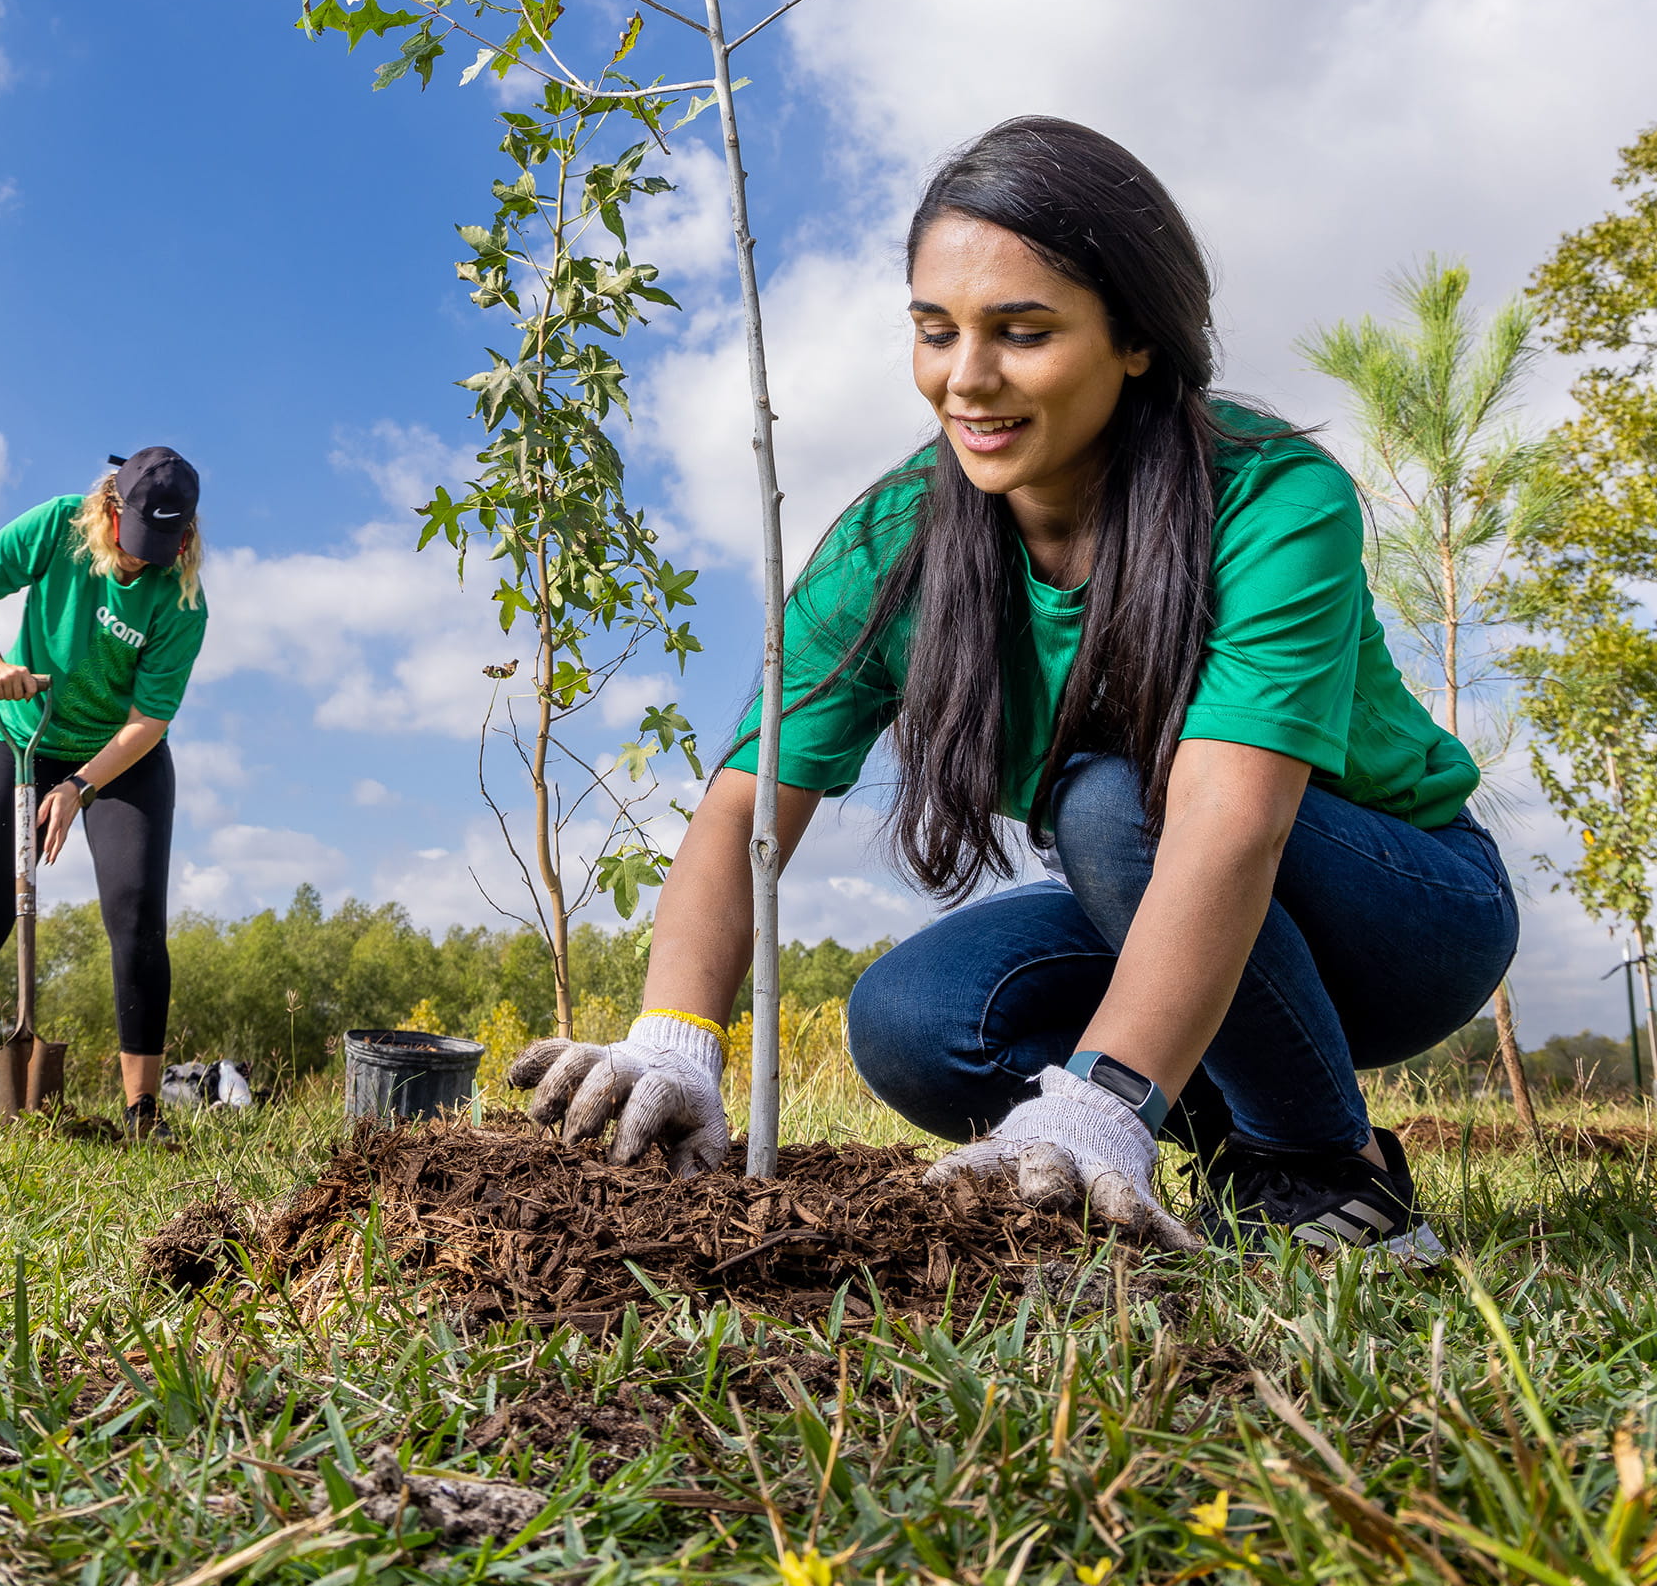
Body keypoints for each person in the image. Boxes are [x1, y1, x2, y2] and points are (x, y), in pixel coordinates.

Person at [508, 119, 1517, 1258]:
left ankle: (1324, 1171)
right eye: (936, 332)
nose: (966, 378)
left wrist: (1101, 1100)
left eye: (1022, 333)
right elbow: (748, 802)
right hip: (1157, 903)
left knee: (1107, 800)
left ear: (1136, 338)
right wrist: (674, 1037)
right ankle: (1227, 1137)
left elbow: (1231, 820)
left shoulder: (1272, 500)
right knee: (915, 1023)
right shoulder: (896, 544)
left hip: (1401, 917)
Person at [0, 448, 208, 1142]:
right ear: (109, 510)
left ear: (184, 537)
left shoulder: (181, 599)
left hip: (121, 756)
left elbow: (148, 722)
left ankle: (141, 1112)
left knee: (135, 920)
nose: (139, 563)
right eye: (132, 545)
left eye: (161, 549)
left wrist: (78, 786)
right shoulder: (57, 528)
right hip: (19, 737)